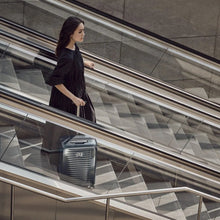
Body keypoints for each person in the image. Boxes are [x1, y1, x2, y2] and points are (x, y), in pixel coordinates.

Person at [47, 16, 96, 122]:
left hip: (76, 93)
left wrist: (84, 63)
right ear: (70, 33)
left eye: (83, 31)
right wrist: (74, 98)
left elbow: (73, 60)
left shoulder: (73, 47)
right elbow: (56, 81)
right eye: (80, 32)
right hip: (65, 101)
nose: (83, 34)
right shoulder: (66, 57)